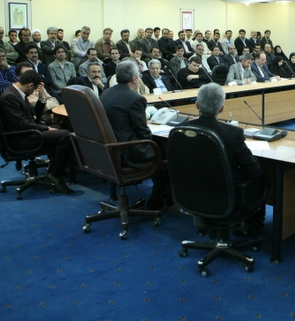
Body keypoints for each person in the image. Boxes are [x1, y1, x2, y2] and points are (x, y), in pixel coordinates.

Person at [189, 83, 267, 233]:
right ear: (222, 108)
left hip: (193, 193)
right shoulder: (233, 133)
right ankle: (250, 224)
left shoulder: (182, 129)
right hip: (227, 195)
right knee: (262, 179)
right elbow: (253, 171)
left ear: (197, 105)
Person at [99, 60, 170, 209]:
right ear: (134, 79)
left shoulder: (106, 93)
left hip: (108, 150)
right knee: (169, 154)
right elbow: (143, 132)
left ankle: (162, 198)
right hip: (129, 151)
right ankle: (158, 201)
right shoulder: (135, 99)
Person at [0, 69, 73, 193]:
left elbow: (33, 116)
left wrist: (42, 99)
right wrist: (47, 128)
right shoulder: (9, 97)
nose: (33, 92)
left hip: (26, 132)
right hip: (21, 138)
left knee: (63, 127)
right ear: (30, 85)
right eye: (33, 90)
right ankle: (55, 174)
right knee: (65, 135)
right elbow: (22, 125)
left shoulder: (16, 93)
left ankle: (57, 167)